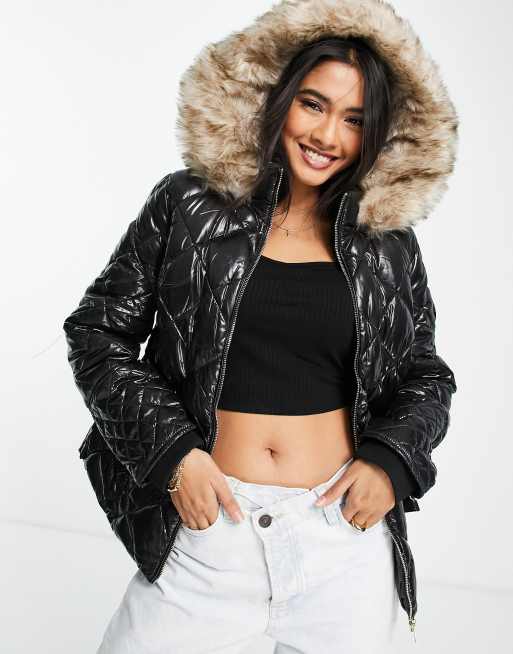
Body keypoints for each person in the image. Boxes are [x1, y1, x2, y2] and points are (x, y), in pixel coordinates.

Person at [63, 0, 458, 652]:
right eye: (313, 104)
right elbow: (98, 332)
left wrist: (391, 463)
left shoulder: (387, 243)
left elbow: (424, 373)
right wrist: (173, 455)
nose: (327, 134)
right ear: (279, 98)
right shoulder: (187, 204)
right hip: (211, 527)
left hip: (342, 539)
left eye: (354, 119)